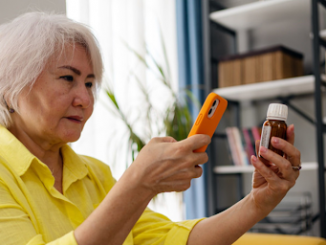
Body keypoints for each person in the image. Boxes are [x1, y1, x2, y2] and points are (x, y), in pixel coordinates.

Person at [0, 12, 301, 245]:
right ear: (14, 84)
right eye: (68, 78)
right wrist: (138, 183)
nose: (85, 99)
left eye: (90, 84)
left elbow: (173, 239)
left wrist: (258, 202)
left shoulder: (94, 175)